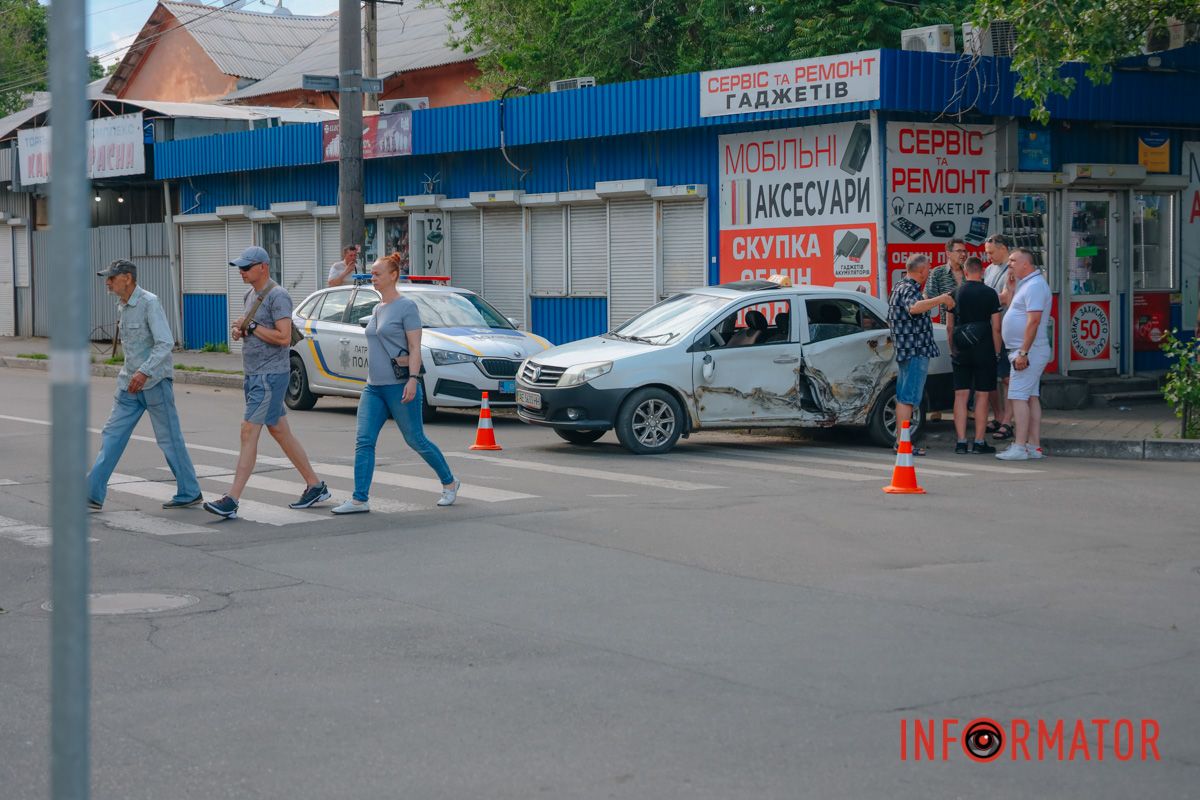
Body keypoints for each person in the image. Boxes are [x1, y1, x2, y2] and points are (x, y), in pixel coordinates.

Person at [204, 246, 329, 518]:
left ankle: (232, 499)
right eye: (240, 267)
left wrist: (250, 327)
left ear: (263, 267)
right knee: (280, 431)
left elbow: (283, 337)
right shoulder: (250, 295)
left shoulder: (278, 295)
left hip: (270, 375)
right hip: (254, 373)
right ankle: (315, 485)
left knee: (248, 431)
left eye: (246, 267)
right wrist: (240, 331)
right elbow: (257, 331)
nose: (241, 272)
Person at [331, 252, 460, 514]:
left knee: (416, 439)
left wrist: (413, 380)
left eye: (377, 274)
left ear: (393, 275)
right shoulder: (377, 308)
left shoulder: (406, 307)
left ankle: (449, 482)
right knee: (364, 440)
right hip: (373, 387)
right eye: (372, 274)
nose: (373, 278)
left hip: (399, 385)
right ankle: (359, 499)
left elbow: (415, 347)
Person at [87, 260, 203, 510]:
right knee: (112, 436)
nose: (108, 282)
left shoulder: (150, 302)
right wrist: (134, 373)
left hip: (155, 383)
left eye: (112, 277)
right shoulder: (123, 306)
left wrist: (144, 371)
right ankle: (92, 494)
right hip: (128, 385)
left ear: (127, 278)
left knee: (169, 440)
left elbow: (165, 342)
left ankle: (189, 491)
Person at [887, 254, 954, 456]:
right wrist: (941, 299)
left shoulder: (900, 286)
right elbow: (914, 307)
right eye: (928, 268)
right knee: (908, 399)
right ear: (922, 270)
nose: (930, 271)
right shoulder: (908, 289)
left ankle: (901, 442)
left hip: (908, 350)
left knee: (904, 397)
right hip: (915, 351)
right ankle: (903, 443)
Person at [996, 247, 1053, 461]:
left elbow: (1034, 321)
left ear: (1025, 264)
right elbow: (1017, 312)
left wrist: (1023, 352)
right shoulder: (1027, 284)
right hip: (1026, 350)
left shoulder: (1035, 285)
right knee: (1030, 397)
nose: (1009, 264)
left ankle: (1020, 446)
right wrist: (1011, 290)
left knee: (1018, 397)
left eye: (1013, 260)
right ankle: (1033, 446)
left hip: (1028, 351)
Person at [946, 256, 1001, 455]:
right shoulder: (990, 294)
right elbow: (996, 327)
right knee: (982, 395)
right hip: (984, 348)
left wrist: (952, 348)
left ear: (965, 272)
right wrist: (997, 352)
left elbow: (949, 326)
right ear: (982, 271)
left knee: (960, 395)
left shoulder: (954, 294)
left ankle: (961, 442)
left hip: (961, 348)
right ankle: (979, 441)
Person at [983, 233, 1015, 442]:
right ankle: (998, 415)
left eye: (991, 252)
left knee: (1006, 377)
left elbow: (1005, 297)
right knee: (991, 376)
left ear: (1003, 248)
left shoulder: (1011, 270)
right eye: (987, 253)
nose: (989, 257)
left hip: (1006, 330)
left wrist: (980, 296)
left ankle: (1007, 422)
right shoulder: (989, 270)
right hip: (990, 329)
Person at [925, 238, 968, 320]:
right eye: (959, 251)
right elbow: (927, 298)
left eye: (964, 251)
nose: (963, 254)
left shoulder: (971, 271)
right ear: (948, 254)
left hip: (971, 324)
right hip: (947, 324)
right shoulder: (938, 272)